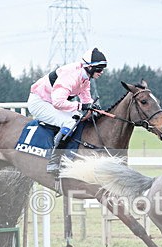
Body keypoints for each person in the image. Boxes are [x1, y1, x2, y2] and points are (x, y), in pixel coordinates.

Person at [27, 47, 108, 176]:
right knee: (69, 122)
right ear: (89, 67)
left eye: (103, 68)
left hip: (50, 101)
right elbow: (58, 102)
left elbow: (86, 97)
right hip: (40, 102)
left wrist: (92, 107)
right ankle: (54, 160)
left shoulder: (85, 77)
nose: (102, 72)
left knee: (77, 118)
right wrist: (82, 106)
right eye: (99, 68)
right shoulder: (71, 76)